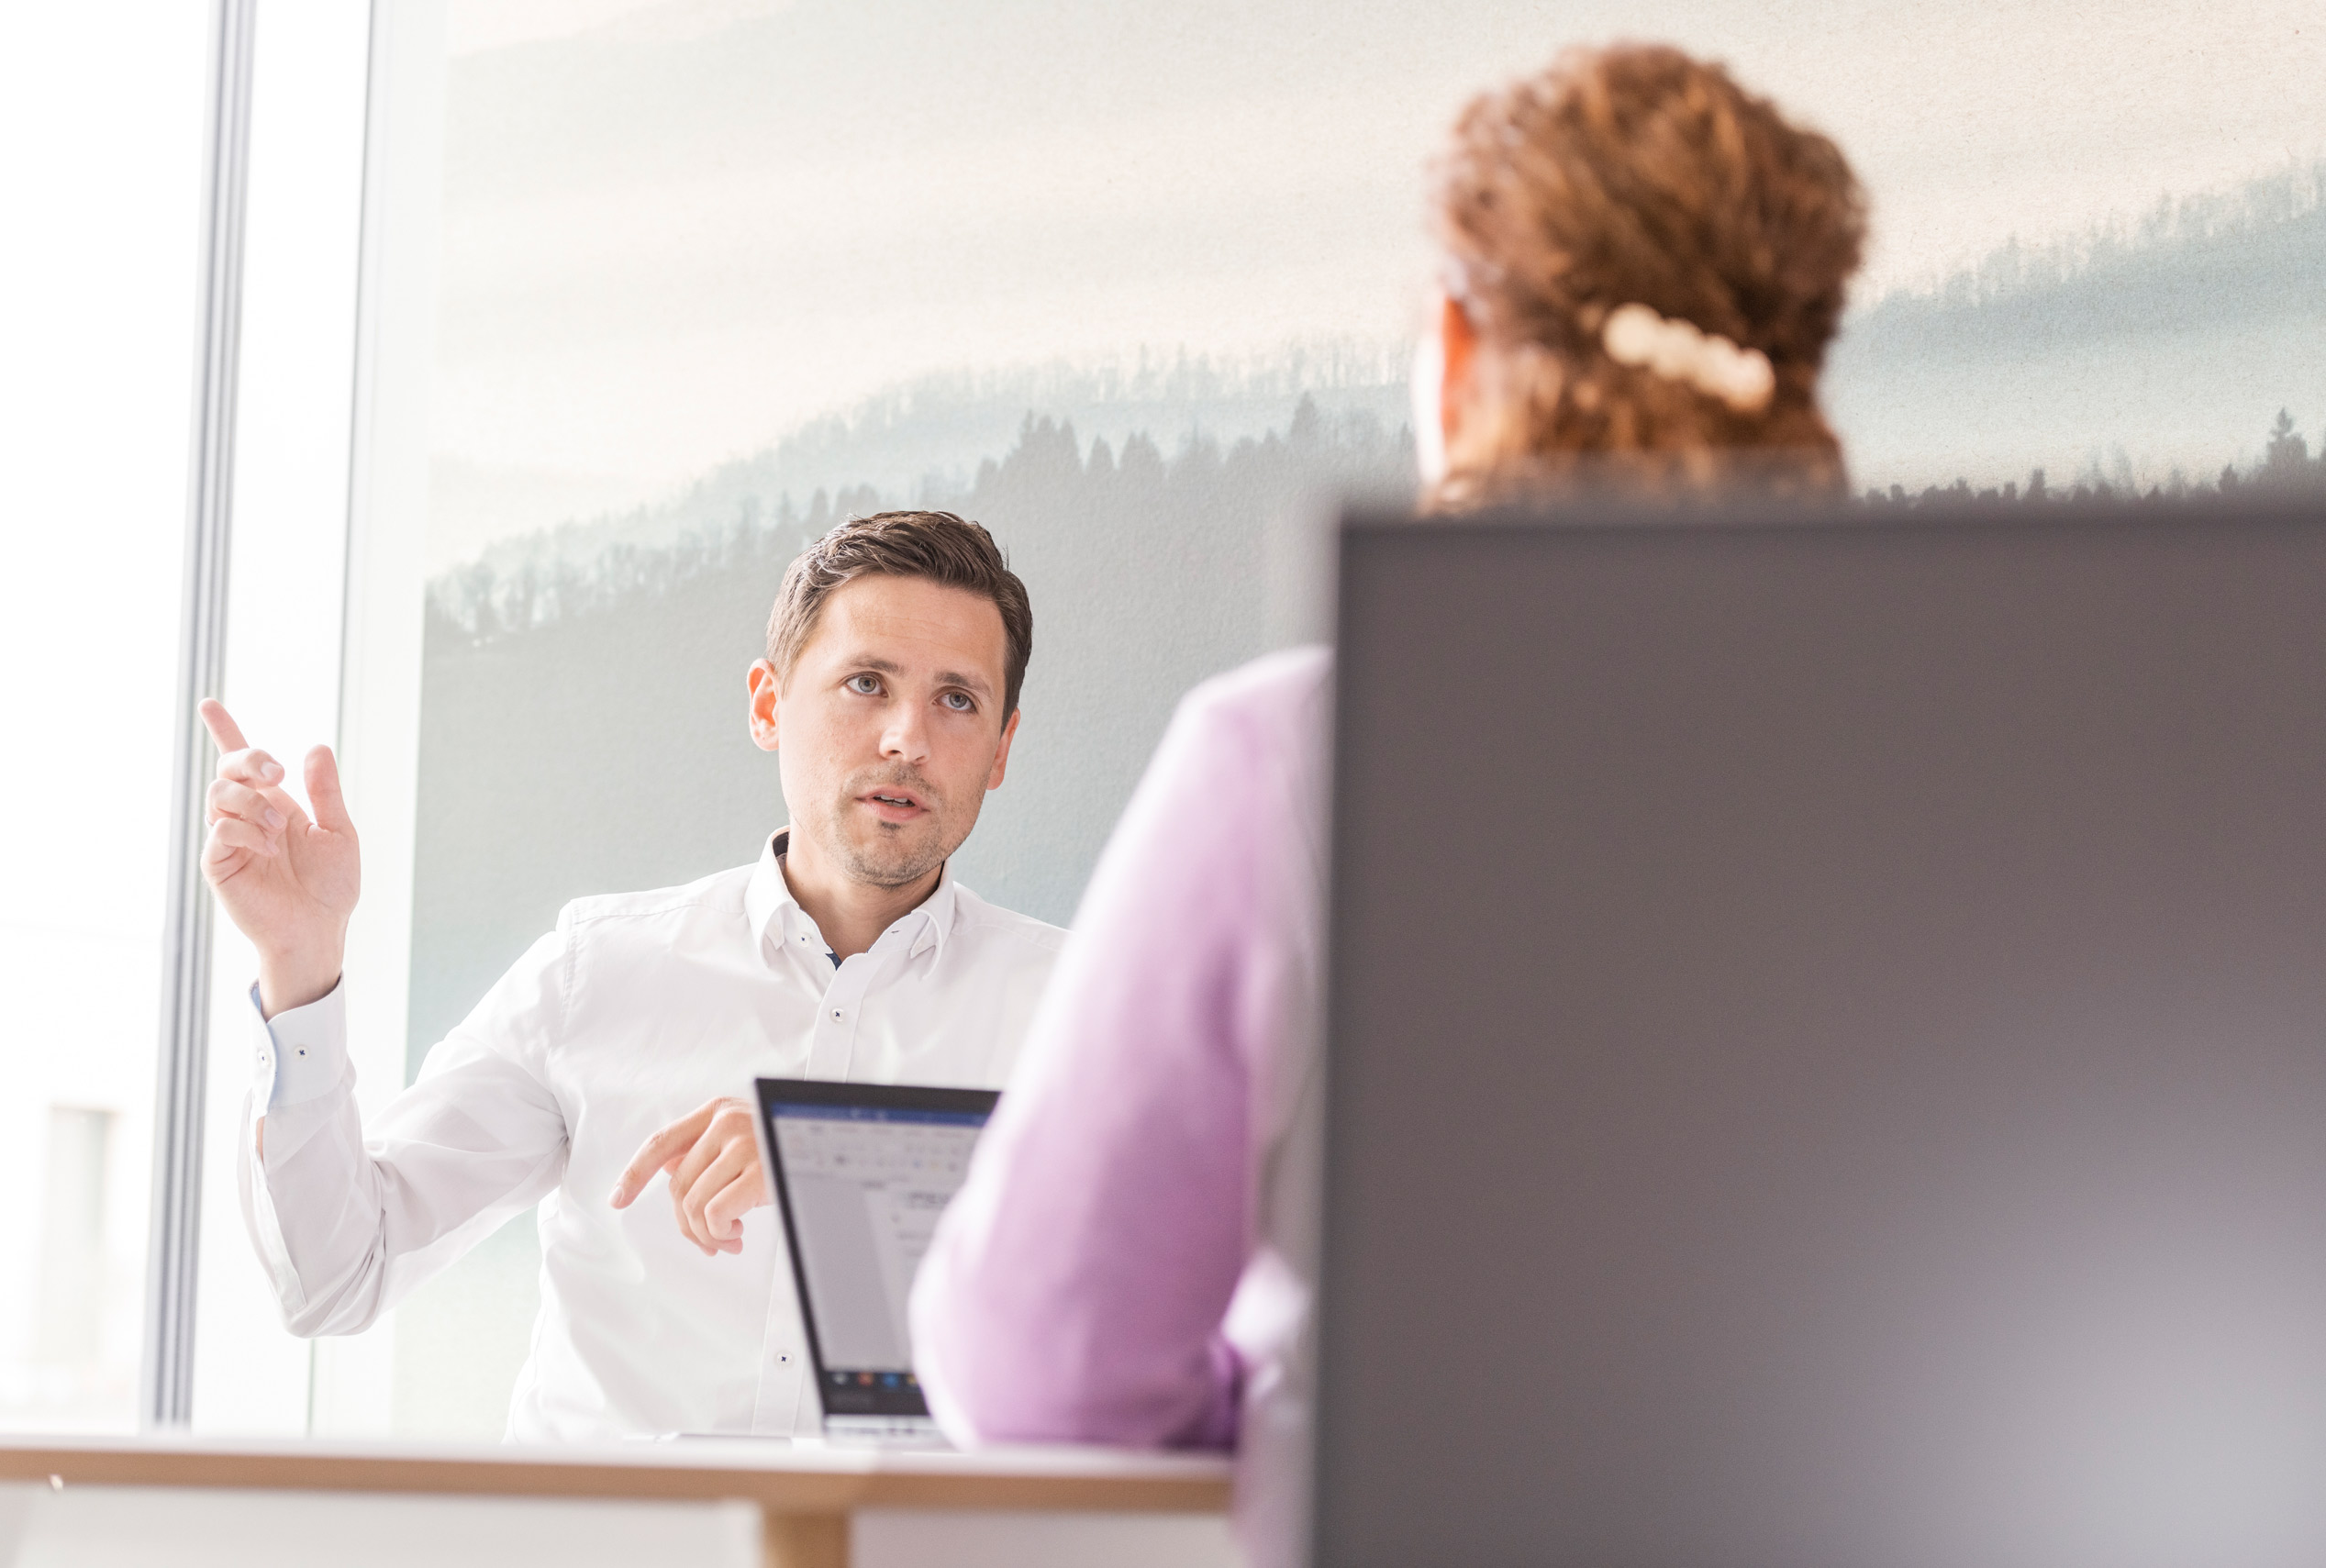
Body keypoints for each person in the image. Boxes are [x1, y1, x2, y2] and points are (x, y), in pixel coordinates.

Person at [908, 42, 1868, 1565]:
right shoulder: (2015, 749)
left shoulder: (1292, 754)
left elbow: (1044, 1358)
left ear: (1456, 348)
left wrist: (1295, 1400)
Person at [205, 510, 1064, 1440]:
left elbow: (1150, 1293)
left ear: (1003, 747)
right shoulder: (597, 971)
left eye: (958, 700)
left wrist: (831, 1164)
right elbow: (337, 1273)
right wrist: (299, 961)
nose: (907, 737)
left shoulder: (1081, 1015)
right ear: (768, 703)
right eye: (866, 682)